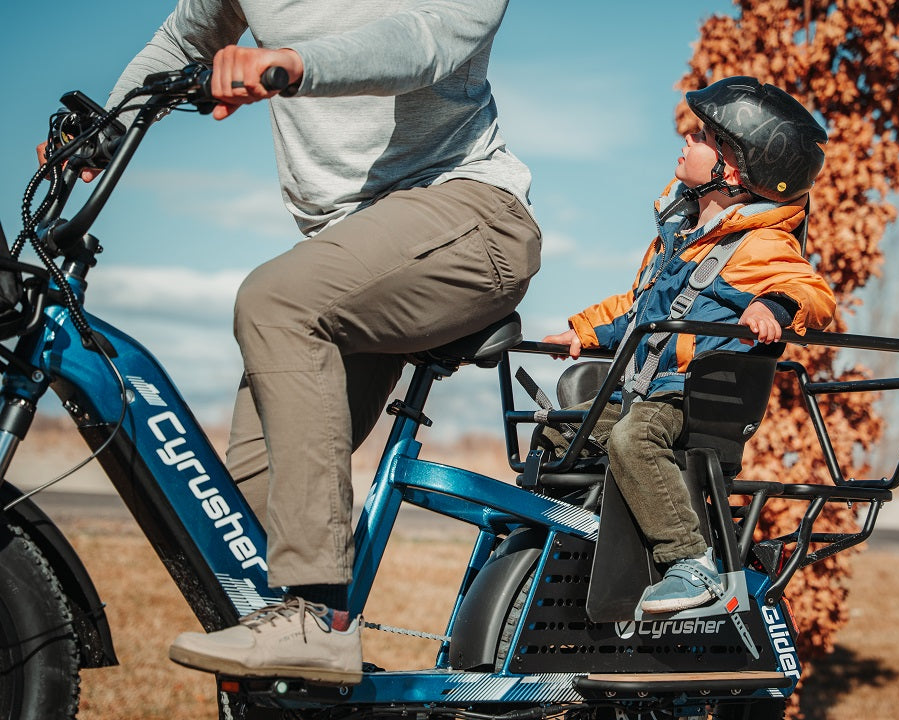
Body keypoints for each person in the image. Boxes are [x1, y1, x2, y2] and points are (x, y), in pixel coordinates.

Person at [97, 0, 541, 682]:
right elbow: (184, 37)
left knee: (274, 302)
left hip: (472, 217)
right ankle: (302, 679)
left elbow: (426, 40)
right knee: (245, 494)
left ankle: (318, 616)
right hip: (354, 252)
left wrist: (292, 64)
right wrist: (105, 126)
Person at [539, 76, 835, 615]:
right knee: (562, 427)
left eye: (702, 137)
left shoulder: (760, 244)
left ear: (734, 170)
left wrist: (772, 307)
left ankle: (690, 562)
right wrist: (583, 331)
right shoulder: (681, 237)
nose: (686, 139)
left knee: (633, 438)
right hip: (646, 393)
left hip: (691, 400)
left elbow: (811, 291)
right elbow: (638, 308)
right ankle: (563, 534)